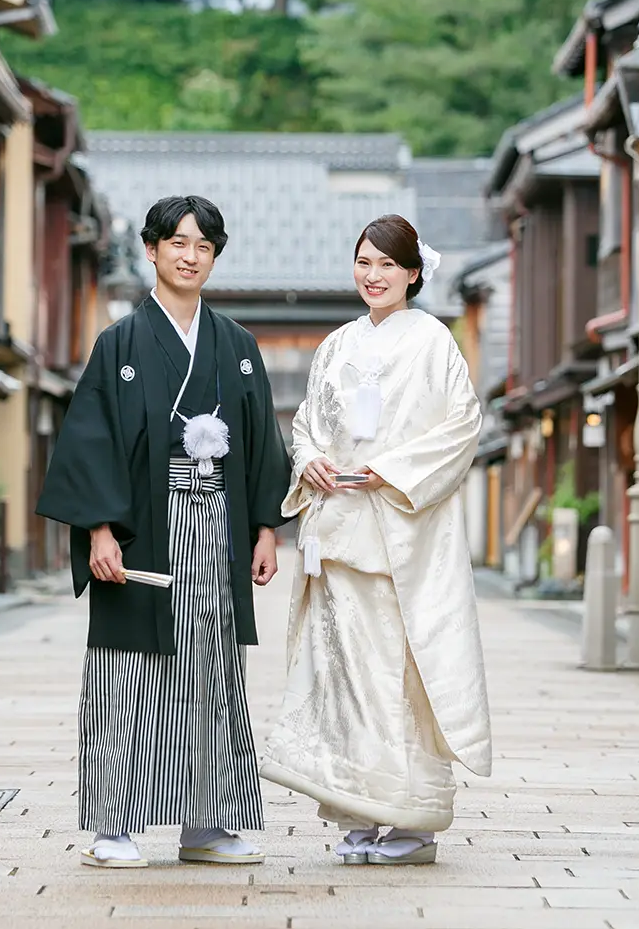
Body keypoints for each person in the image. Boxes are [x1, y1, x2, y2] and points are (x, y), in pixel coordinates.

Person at [35, 195, 293, 870]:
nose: (190, 256)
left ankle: (206, 823)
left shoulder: (236, 346)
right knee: (126, 674)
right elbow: (90, 441)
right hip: (141, 529)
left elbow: (263, 442)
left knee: (212, 669)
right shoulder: (119, 343)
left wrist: (266, 528)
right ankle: (113, 825)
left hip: (218, 526)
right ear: (151, 250)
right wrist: (98, 530)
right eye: (177, 242)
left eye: (204, 246)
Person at [259, 213, 493, 866]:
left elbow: (462, 424)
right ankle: (358, 817)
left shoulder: (434, 341)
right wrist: (309, 458)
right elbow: (307, 422)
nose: (374, 274)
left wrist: (389, 471)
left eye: (388, 264)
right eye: (364, 262)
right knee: (343, 682)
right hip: (338, 532)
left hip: (398, 538)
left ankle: (412, 823)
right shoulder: (336, 344)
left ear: (414, 272)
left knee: (399, 679)